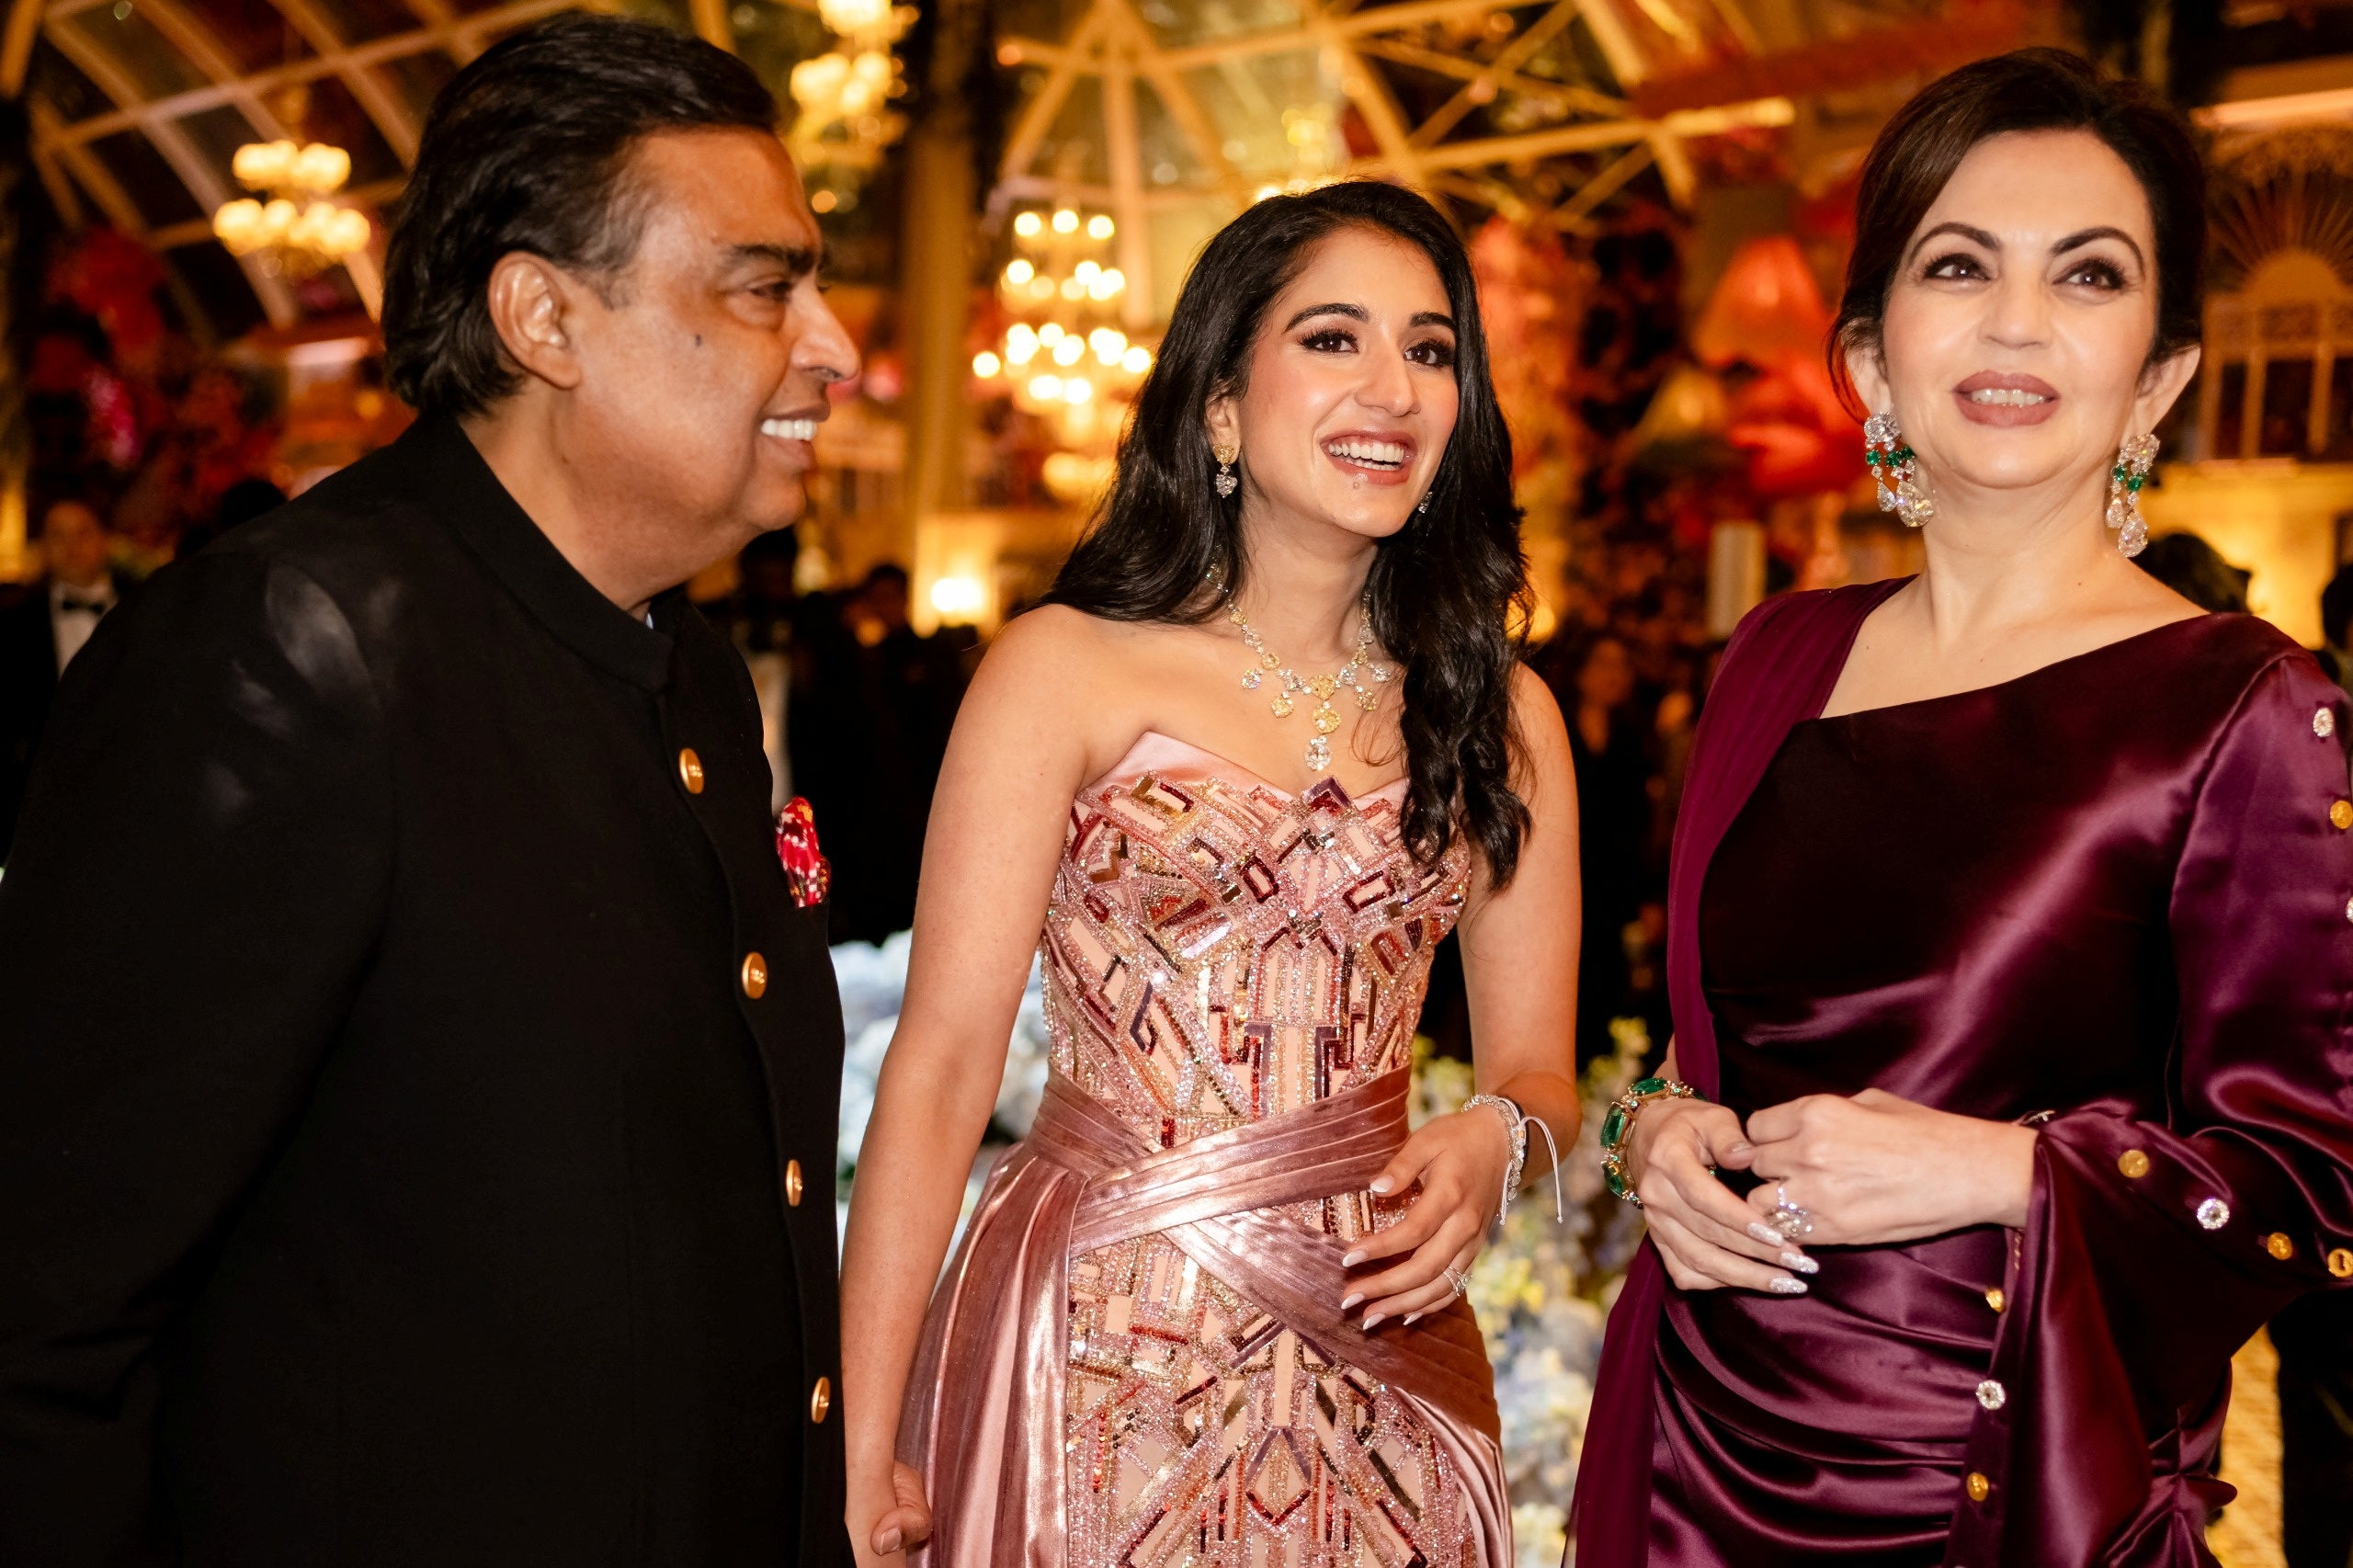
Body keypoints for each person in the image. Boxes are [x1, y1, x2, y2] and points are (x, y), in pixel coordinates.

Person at [0, 16, 859, 1566]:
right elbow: (48, 1309)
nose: (833, 346)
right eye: (763, 285)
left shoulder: (690, 672)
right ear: (543, 316)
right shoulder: (294, 649)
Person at [1574, 50, 2353, 1566]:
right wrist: (1660, 1131)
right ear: (1871, 361)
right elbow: (1710, 1044)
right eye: (1957, 265)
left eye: (2088, 276)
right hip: (1695, 1456)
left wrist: (2002, 1170)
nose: (2015, 324)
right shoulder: (1776, 659)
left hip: (1995, 1493)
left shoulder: (2248, 710)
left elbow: (2316, 1186)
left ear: (2164, 374)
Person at [837, 180, 1582, 1568]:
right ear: (1222, 405)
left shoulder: (1503, 715)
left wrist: (1496, 1142)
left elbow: (1539, 1071)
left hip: (1383, 1346)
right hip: (1097, 1347)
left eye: (1431, 350)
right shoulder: (1065, 670)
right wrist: (863, 1436)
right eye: (1333, 339)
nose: (1393, 388)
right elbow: (942, 1064)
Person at [1534, 631, 1654, 1066]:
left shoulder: (1633, 735)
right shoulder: (1552, 722)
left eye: (1621, 666)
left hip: (1610, 884)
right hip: (1554, 879)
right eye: (1604, 664)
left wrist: (1643, 896)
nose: (1613, 676)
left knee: (1604, 984)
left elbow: (1640, 822)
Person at [0, 499, 131, 859]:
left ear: (105, 538)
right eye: (58, 536)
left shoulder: (145, 610)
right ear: (42, 547)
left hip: (133, 796)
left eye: (83, 532)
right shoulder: (14, 627)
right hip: (42, 810)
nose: (72, 546)